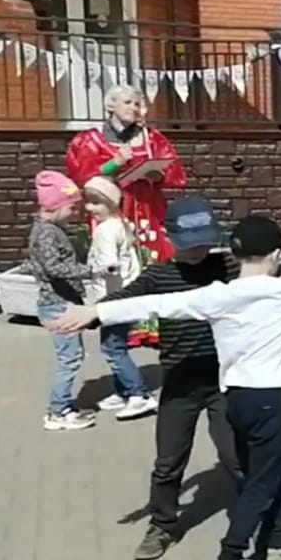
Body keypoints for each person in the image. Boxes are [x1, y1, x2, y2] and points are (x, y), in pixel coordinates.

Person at [51, 216, 281, 560]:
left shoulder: (217, 295)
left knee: (271, 465)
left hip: (234, 398)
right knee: (262, 481)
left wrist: (95, 312)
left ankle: (277, 544)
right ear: (274, 255)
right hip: (268, 399)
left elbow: (159, 304)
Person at [92, 197, 281, 560]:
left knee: (237, 457)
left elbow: (278, 273)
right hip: (180, 382)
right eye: (190, 243)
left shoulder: (226, 265)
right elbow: (126, 299)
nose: (198, 250)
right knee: (168, 461)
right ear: (169, 236)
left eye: (204, 242)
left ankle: (260, 519)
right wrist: (90, 314)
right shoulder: (157, 276)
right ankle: (162, 524)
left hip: (222, 381)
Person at [64, 85, 187, 264]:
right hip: (111, 207)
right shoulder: (91, 139)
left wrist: (158, 176)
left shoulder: (151, 138)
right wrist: (115, 163)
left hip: (147, 207)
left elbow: (174, 170)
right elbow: (83, 175)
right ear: (111, 106)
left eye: (136, 104)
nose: (133, 108)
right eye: (127, 102)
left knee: (151, 254)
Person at [82, 175, 157, 420]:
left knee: (112, 349)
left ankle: (139, 394)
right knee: (116, 345)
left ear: (112, 203)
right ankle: (124, 389)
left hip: (113, 298)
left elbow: (109, 263)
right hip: (124, 296)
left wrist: (97, 270)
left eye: (96, 203)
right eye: (88, 202)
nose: (90, 208)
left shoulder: (106, 230)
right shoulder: (120, 224)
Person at [28, 170, 96, 432]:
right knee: (69, 359)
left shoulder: (49, 230)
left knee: (71, 356)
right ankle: (57, 411)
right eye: (71, 207)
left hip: (59, 302)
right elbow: (54, 268)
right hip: (57, 304)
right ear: (54, 206)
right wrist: (91, 271)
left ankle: (62, 407)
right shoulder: (47, 233)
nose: (74, 212)